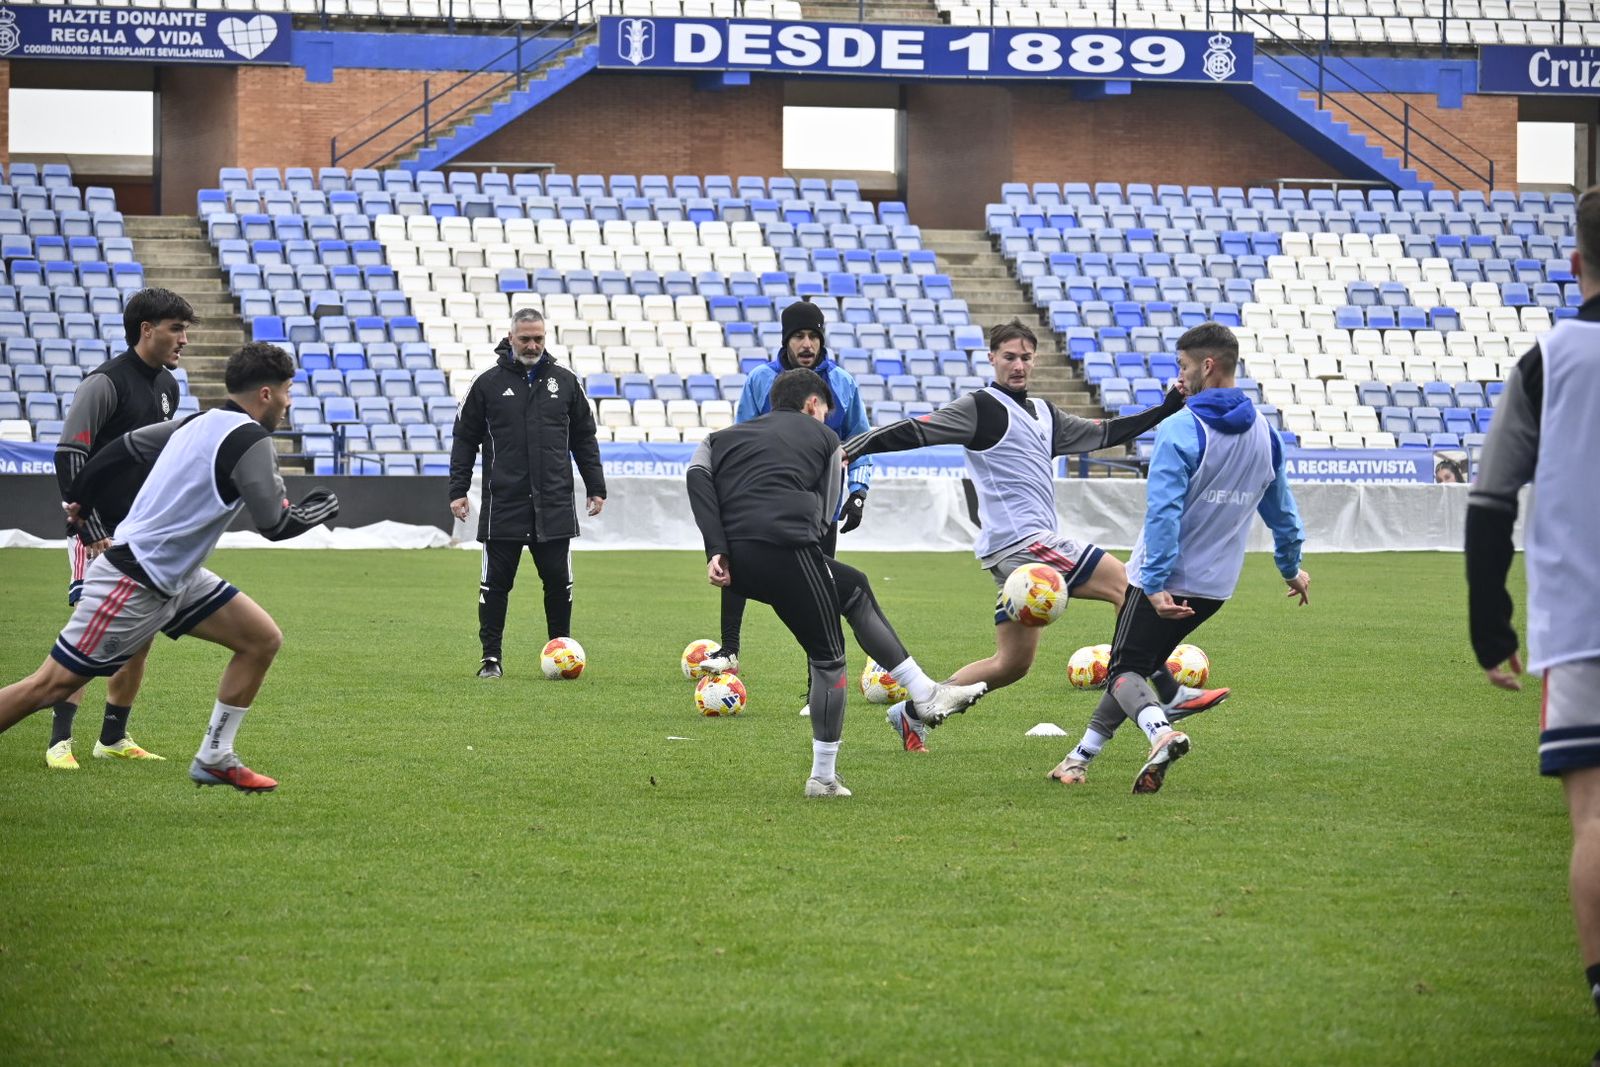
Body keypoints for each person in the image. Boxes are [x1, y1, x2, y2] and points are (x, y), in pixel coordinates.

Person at [843, 317, 1219, 752]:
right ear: (991, 358)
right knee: (1128, 586)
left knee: (1012, 664)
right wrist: (856, 446)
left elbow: (1104, 434)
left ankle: (913, 712)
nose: (1017, 365)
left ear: (1034, 359)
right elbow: (916, 429)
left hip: (1022, 552)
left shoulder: (1044, 413)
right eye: (1009, 357)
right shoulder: (981, 407)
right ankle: (1166, 693)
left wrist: (1166, 408)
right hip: (1025, 543)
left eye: (1025, 357)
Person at [0, 342, 338, 792]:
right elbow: (274, 525)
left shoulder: (198, 422)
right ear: (264, 393)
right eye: (287, 391)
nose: (289, 401)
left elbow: (123, 448)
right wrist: (321, 508)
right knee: (50, 686)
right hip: (134, 579)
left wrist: (82, 495)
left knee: (260, 640)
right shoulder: (251, 440)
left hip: (175, 577)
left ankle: (215, 757)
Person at [686, 368, 986, 797]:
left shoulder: (721, 437)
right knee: (828, 661)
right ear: (812, 404)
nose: (827, 418)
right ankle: (823, 777)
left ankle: (924, 692)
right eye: (826, 409)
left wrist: (717, 547)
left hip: (738, 565)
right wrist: (805, 556)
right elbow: (825, 513)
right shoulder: (826, 439)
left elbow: (697, 477)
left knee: (854, 587)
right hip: (788, 551)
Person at [1049, 322, 1309, 793]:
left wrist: (1153, 582)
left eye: (1183, 367)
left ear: (1208, 366)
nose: (1179, 378)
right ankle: (1077, 760)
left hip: (1163, 582)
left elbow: (1164, 513)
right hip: (1215, 589)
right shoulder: (1267, 435)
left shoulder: (1179, 429)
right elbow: (1282, 511)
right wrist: (1291, 567)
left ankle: (1162, 732)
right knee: (1142, 663)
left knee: (1124, 670)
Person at [1466, 185, 1600, 1062]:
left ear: (1577, 261)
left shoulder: (1550, 358)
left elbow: (1488, 501)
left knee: (1594, 820)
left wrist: (1490, 625)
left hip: (1584, 622)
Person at [42, 287, 194, 770]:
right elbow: (70, 455)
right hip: (98, 531)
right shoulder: (103, 382)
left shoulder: (169, 386)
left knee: (138, 635)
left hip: (141, 534)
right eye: (176, 328)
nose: (184, 339)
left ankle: (112, 737)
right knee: (88, 635)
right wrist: (88, 527)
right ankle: (59, 742)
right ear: (146, 330)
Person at [704, 298, 872, 677]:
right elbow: (739, 437)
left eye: (814, 335)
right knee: (736, 565)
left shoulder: (843, 384)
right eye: (799, 336)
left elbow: (861, 441)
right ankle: (729, 648)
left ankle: (820, 673)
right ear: (786, 339)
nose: (807, 344)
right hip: (758, 502)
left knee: (821, 588)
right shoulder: (761, 380)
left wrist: (858, 492)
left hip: (819, 507)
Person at [449, 309, 606, 679]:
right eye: (525, 339)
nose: (532, 345)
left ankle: (562, 653)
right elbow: (464, 439)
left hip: (553, 503)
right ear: (511, 337)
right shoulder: (486, 383)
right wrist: (457, 489)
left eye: (538, 338)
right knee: (494, 586)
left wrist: (595, 486)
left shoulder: (565, 382)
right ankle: (491, 659)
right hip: (503, 503)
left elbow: (585, 438)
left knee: (559, 584)